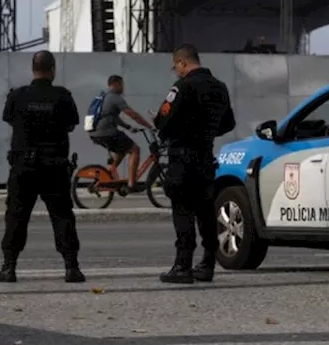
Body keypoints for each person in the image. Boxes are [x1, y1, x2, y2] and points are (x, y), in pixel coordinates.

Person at [0, 50, 85, 285]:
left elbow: (9, 119)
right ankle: (71, 267)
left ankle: (9, 267)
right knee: (62, 215)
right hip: (54, 166)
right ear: (53, 70)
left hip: (24, 166)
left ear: (33, 69)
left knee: (16, 216)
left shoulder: (18, 96)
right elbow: (71, 124)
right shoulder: (62, 96)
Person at [153, 43, 235, 284]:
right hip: (205, 157)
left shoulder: (183, 86)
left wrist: (164, 124)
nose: (176, 71)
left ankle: (182, 265)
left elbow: (163, 120)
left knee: (182, 209)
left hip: (183, 157)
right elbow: (228, 123)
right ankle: (208, 262)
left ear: (182, 63)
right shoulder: (220, 88)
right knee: (205, 210)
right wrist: (206, 133)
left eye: (175, 67)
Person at [90, 75, 153, 192]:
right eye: (122, 84)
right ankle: (131, 185)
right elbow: (132, 114)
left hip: (95, 134)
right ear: (116, 84)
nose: (123, 87)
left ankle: (108, 174)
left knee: (121, 151)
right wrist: (149, 126)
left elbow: (113, 118)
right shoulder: (115, 97)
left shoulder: (104, 97)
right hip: (107, 132)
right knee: (135, 150)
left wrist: (129, 127)